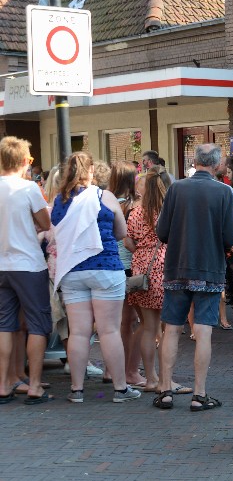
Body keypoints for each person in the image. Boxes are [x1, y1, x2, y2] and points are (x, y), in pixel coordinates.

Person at [152, 143, 233, 410]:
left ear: (195, 160)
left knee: (171, 329)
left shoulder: (176, 188)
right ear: (216, 164)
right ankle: (199, 394)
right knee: (203, 331)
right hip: (210, 269)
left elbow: (162, 232)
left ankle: (165, 389)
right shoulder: (224, 192)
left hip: (177, 266)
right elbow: (231, 238)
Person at [51, 152, 138, 404]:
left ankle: (76, 390)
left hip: (72, 271)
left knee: (78, 332)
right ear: (90, 171)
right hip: (105, 269)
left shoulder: (59, 201)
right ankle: (120, 389)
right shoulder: (104, 196)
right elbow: (121, 232)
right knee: (109, 330)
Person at [0, 136, 52, 404]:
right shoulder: (29, 188)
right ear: (23, 161)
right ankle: (34, 386)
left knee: (4, 325)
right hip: (28, 264)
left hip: (1, 265)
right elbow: (45, 222)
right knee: (37, 324)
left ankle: (3, 385)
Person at [125, 168, 172, 395]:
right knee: (166, 329)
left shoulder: (135, 212)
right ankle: (166, 378)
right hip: (166, 266)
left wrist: (141, 251)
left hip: (142, 268)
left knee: (147, 326)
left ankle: (151, 377)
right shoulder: (167, 211)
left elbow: (127, 242)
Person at [108, 160, 145, 388]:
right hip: (133, 268)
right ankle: (131, 370)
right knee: (143, 322)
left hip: (115, 266)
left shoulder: (106, 201)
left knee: (122, 323)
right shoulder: (133, 205)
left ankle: (114, 369)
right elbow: (132, 241)